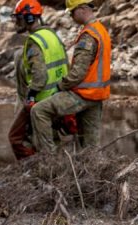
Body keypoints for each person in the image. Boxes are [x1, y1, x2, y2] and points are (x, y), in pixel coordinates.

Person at [30, 0, 111, 151]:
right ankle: (89, 172)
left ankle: (50, 160)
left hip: (83, 95)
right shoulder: (101, 30)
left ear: (81, 9)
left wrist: (59, 87)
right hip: (98, 96)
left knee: (39, 111)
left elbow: (77, 73)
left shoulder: (88, 35)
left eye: (72, 12)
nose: (72, 17)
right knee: (90, 147)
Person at [8, 0, 69, 160]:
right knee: (52, 140)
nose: (16, 22)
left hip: (41, 100)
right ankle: (55, 169)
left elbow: (40, 78)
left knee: (15, 138)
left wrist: (30, 96)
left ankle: (31, 167)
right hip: (58, 97)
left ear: (28, 18)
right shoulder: (51, 35)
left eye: (18, 18)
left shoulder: (34, 42)